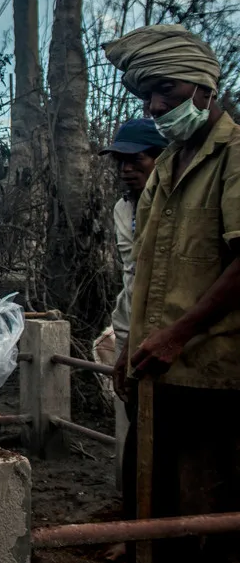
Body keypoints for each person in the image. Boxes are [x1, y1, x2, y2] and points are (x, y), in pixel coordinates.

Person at [105, 24, 240, 562]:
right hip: (156, 370)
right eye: (146, 95)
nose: (156, 105)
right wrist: (130, 348)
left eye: (166, 90)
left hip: (210, 375)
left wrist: (177, 335)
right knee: (152, 506)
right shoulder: (170, 164)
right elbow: (146, 271)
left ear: (204, 87)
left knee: (207, 517)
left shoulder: (232, 156)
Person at [98, 118, 168, 499]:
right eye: (119, 162)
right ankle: (133, 524)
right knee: (138, 433)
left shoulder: (175, 206)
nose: (125, 170)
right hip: (131, 332)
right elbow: (131, 276)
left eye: (135, 161)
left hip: (171, 337)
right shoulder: (123, 211)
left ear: (159, 158)